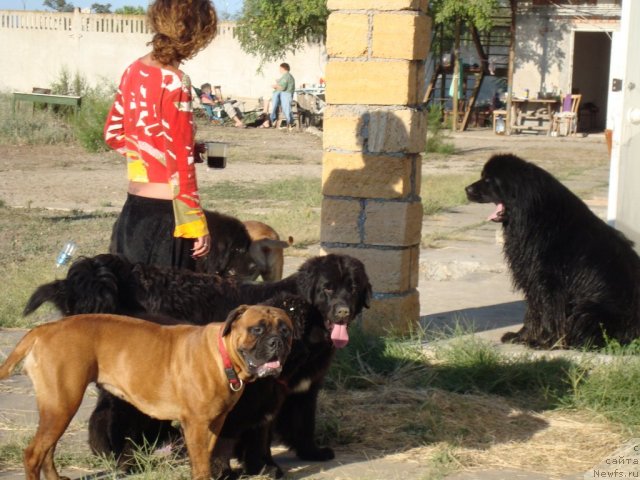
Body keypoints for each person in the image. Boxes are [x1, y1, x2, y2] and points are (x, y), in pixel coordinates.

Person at [104, 0, 217, 271]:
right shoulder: (177, 82)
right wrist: (194, 222)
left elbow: (113, 133)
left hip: (134, 209)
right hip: (167, 216)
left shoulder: (134, 70)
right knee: (166, 310)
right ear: (195, 33)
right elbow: (179, 160)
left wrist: (154, 156)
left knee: (129, 307)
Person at [262, 63, 295, 128]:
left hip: (285, 95)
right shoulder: (288, 76)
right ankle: (268, 120)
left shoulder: (286, 76)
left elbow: (282, 87)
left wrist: (275, 86)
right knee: (270, 101)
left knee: (268, 97)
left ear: (282, 68)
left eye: (280, 68)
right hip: (284, 95)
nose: (279, 70)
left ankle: (266, 114)